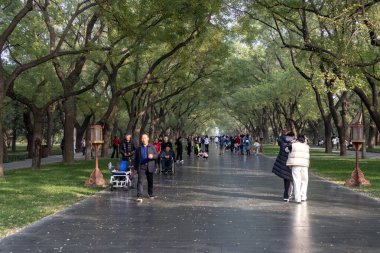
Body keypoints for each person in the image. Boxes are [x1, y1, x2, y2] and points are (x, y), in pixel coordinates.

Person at [134, 134, 158, 203]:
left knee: (150, 181)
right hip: (141, 166)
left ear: (148, 139)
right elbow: (136, 159)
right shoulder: (139, 148)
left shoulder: (152, 147)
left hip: (150, 166)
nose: (144, 139)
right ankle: (139, 196)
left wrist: (152, 156)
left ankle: (150, 194)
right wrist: (135, 168)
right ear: (141, 140)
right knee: (140, 181)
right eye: (142, 138)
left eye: (145, 138)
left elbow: (156, 155)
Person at [286, 135, 310, 204]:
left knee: (297, 181)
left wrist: (292, 143)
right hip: (305, 165)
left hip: (296, 165)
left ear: (297, 139)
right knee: (304, 181)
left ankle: (297, 198)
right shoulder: (307, 146)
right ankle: (303, 196)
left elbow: (286, 150)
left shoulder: (293, 145)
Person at [272, 131, 295, 201]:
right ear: (292, 137)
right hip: (289, 163)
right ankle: (288, 195)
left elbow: (279, 139)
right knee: (289, 179)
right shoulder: (292, 144)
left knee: (286, 179)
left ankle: (286, 194)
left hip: (283, 163)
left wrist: (284, 136)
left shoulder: (282, 141)